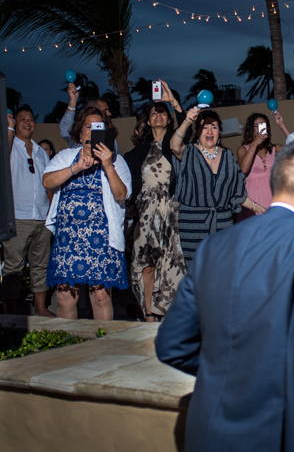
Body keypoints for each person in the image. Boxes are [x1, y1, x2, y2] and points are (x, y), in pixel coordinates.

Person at [156, 139, 294, 452]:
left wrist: (232, 371)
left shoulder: (213, 246)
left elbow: (171, 343)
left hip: (208, 439)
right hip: (280, 442)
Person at [43, 106, 131, 320]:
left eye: (98, 127)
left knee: (100, 296)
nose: (92, 131)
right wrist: (75, 168)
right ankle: (69, 350)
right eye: (87, 127)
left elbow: (121, 195)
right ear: (80, 132)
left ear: (106, 131)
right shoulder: (66, 157)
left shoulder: (116, 161)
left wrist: (108, 165)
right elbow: (47, 181)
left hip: (101, 237)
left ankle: (101, 349)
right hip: (68, 237)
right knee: (65, 297)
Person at [170, 108, 266, 263]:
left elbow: (236, 192)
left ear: (219, 131)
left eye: (213, 127)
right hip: (193, 224)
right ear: (197, 131)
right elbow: (174, 146)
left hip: (223, 223)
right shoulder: (188, 152)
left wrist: (256, 207)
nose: (209, 131)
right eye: (204, 127)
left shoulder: (228, 156)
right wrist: (187, 120)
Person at [124, 98, 186, 322]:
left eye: (162, 112)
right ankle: (148, 313)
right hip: (147, 213)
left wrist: (174, 103)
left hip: (171, 212)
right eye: (153, 113)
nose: (158, 115)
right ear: (148, 122)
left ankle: (169, 312)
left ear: (169, 120)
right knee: (146, 263)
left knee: (172, 264)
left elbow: (187, 133)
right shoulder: (139, 152)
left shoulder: (175, 145)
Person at [4, 107, 54, 316]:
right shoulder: (10, 145)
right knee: (13, 268)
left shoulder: (41, 152)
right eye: (22, 119)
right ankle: (10, 313)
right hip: (17, 216)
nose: (27, 122)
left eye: (31, 119)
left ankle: (40, 308)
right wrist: (8, 128)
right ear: (15, 122)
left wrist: (52, 214)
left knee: (40, 265)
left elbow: (49, 184)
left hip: (42, 217)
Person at [237, 113, 283, 221]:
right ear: (250, 129)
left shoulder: (274, 149)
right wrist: (254, 144)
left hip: (273, 200)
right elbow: (243, 170)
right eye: (257, 126)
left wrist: (282, 126)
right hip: (253, 204)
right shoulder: (243, 149)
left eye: (263, 125)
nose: (260, 129)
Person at [59, 82, 118, 152]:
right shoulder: (77, 137)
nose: (109, 114)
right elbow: (65, 130)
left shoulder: (109, 136)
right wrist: (73, 101)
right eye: (105, 110)